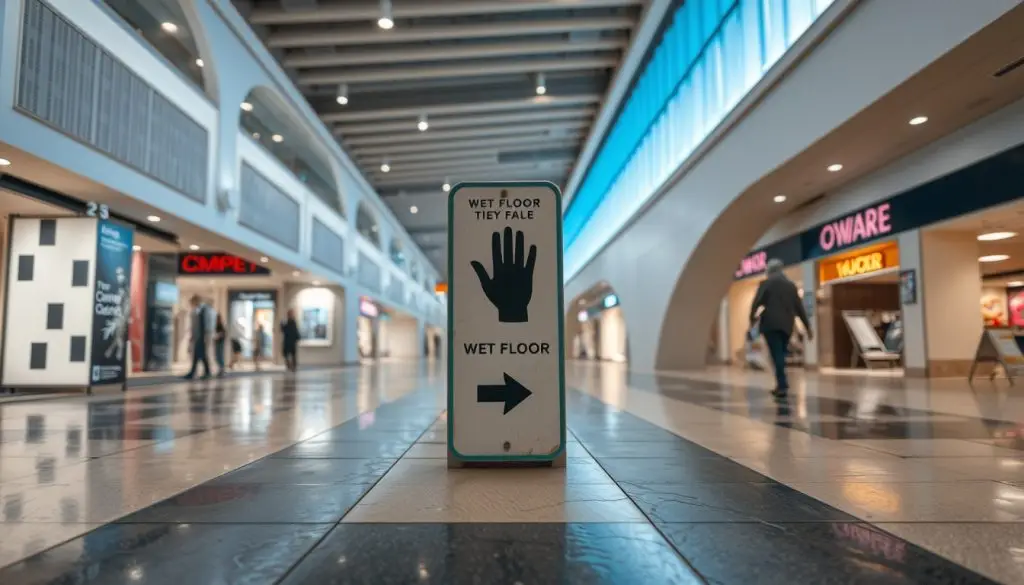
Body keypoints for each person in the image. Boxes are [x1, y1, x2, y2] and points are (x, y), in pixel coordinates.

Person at [749, 259, 812, 399]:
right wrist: (808, 327)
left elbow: (756, 302)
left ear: (770, 270)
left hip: (770, 325)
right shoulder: (791, 286)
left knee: (776, 354)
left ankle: (782, 384)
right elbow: (799, 308)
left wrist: (751, 319)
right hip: (787, 325)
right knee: (781, 353)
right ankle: (781, 384)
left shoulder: (766, 284)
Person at [183, 295, 214, 380]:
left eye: (192, 302)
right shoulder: (197, 310)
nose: (191, 304)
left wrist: (206, 337)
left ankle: (206, 372)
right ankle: (194, 372)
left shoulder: (204, 310)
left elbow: (206, 324)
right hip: (197, 336)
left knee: (202, 355)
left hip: (202, 337)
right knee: (197, 355)